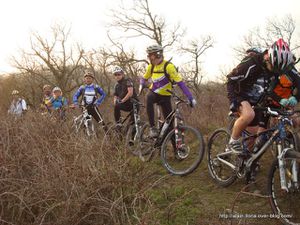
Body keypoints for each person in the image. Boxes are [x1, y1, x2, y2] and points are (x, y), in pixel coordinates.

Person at [227, 38, 294, 154]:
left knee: (253, 135)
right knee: (248, 114)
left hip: (256, 101)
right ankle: (232, 142)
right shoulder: (251, 63)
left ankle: (246, 162)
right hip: (240, 94)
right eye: (273, 67)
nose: (274, 71)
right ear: (268, 58)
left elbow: (270, 90)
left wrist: (283, 101)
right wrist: (233, 101)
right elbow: (230, 79)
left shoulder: (275, 70)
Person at [140, 44, 197, 138]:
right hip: (154, 93)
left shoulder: (168, 66)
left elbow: (180, 83)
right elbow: (144, 78)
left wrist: (190, 97)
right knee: (149, 97)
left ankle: (175, 149)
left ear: (157, 54)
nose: (149, 57)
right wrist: (142, 83)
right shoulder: (151, 66)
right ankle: (152, 128)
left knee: (170, 125)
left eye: (150, 55)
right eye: (148, 55)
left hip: (165, 96)